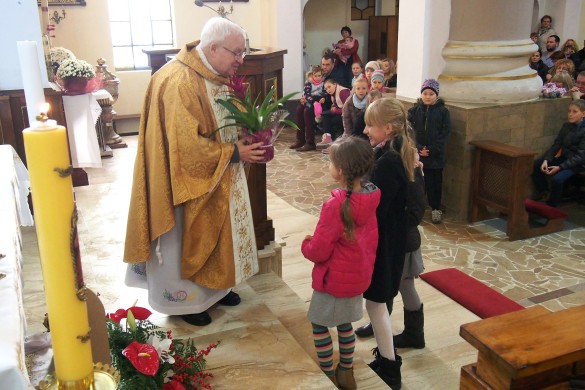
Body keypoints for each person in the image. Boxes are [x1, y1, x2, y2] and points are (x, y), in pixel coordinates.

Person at [123, 17, 266, 327]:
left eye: (244, 52)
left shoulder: (215, 72)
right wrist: (233, 153)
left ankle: (217, 289)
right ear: (213, 47)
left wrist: (248, 135)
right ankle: (185, 302)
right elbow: (184, 150)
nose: (241, 60)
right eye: (237, 53)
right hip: (184, 184)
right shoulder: (180, 81)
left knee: (219, 231)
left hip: (220, 174)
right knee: (182, 238)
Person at [302, 136, 380, 388]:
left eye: (331, 162)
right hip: (356, 276)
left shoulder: (336, 205)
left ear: (341, 171)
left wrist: (306, 244)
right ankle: (346, 370)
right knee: (345, 323)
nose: (329, 166)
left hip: (334, 279)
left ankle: (327, 373)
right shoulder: (370, 198)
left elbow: (320, 250)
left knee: (319, 323)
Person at [362, 97, 418, 389]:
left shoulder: (387, 162)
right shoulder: (397, 152)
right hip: (392, 240)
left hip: (384, 244)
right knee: (378, 302)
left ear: (387, 128)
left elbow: (377, 208)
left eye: (371, 125)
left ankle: (389, 366)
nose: (366, 130)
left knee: (375, 303)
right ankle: (387, 360)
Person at [356, 152, 427, 351]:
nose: (366, 130)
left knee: (406, 284)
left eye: (371, 125)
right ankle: (380, 321)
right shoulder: (397, 160)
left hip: (403, 239)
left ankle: (414, 334)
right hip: (398, 237)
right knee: (388, 282)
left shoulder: (404, 166)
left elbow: (413, 210)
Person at [408, 79, 452, 224]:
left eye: (431, 94)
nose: (427, 96)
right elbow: (409, 132)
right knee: (419, 184)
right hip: (418, 155)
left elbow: (445, 134)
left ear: (436, 95)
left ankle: (435, 209)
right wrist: (419, 148)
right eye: (425, 93)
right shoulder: (414, 111)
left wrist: (432, 150)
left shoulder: (443, 112)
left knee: (435, 184)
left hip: (435, 156)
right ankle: (417, 209)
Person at [532, 100, 585, 207]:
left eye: (575, 112)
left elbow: (581, 156)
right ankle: (544, 192)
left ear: (583, 114)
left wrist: (560, 168)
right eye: (569, 111)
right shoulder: (566, 126)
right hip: (565, 158)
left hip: (578, 163)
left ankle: (552, 206)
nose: (570, 114)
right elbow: (557, 144)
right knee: (536, 164)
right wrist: (546, 160)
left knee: (557, 179)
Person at [290, 65, 326, 151]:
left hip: (319, 104)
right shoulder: (308, 83)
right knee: (299, 109)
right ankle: (300, 139)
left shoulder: (323, 83)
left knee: (306, 111)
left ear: (322, 75)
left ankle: (310, 142)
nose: (317, 78)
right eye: (315, 75)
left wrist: (321, 98)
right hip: (310, 102)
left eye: (319, 76)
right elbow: (307, 95)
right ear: (312, 75)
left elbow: (324, 94)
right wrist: (312, 100)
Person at [320, 78, 351, 154]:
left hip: (347, 115)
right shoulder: (333, 94)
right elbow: (337, 104)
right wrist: (334, 107)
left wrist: (335, 110)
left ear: (335, 84)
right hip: (341, 113)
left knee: (328, 117)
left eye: (329, 87)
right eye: (326, 89)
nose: (328, 90)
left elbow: (347, 108)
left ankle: (329, 138)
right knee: (325, 115)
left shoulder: (343, 92)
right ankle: (328, 137)